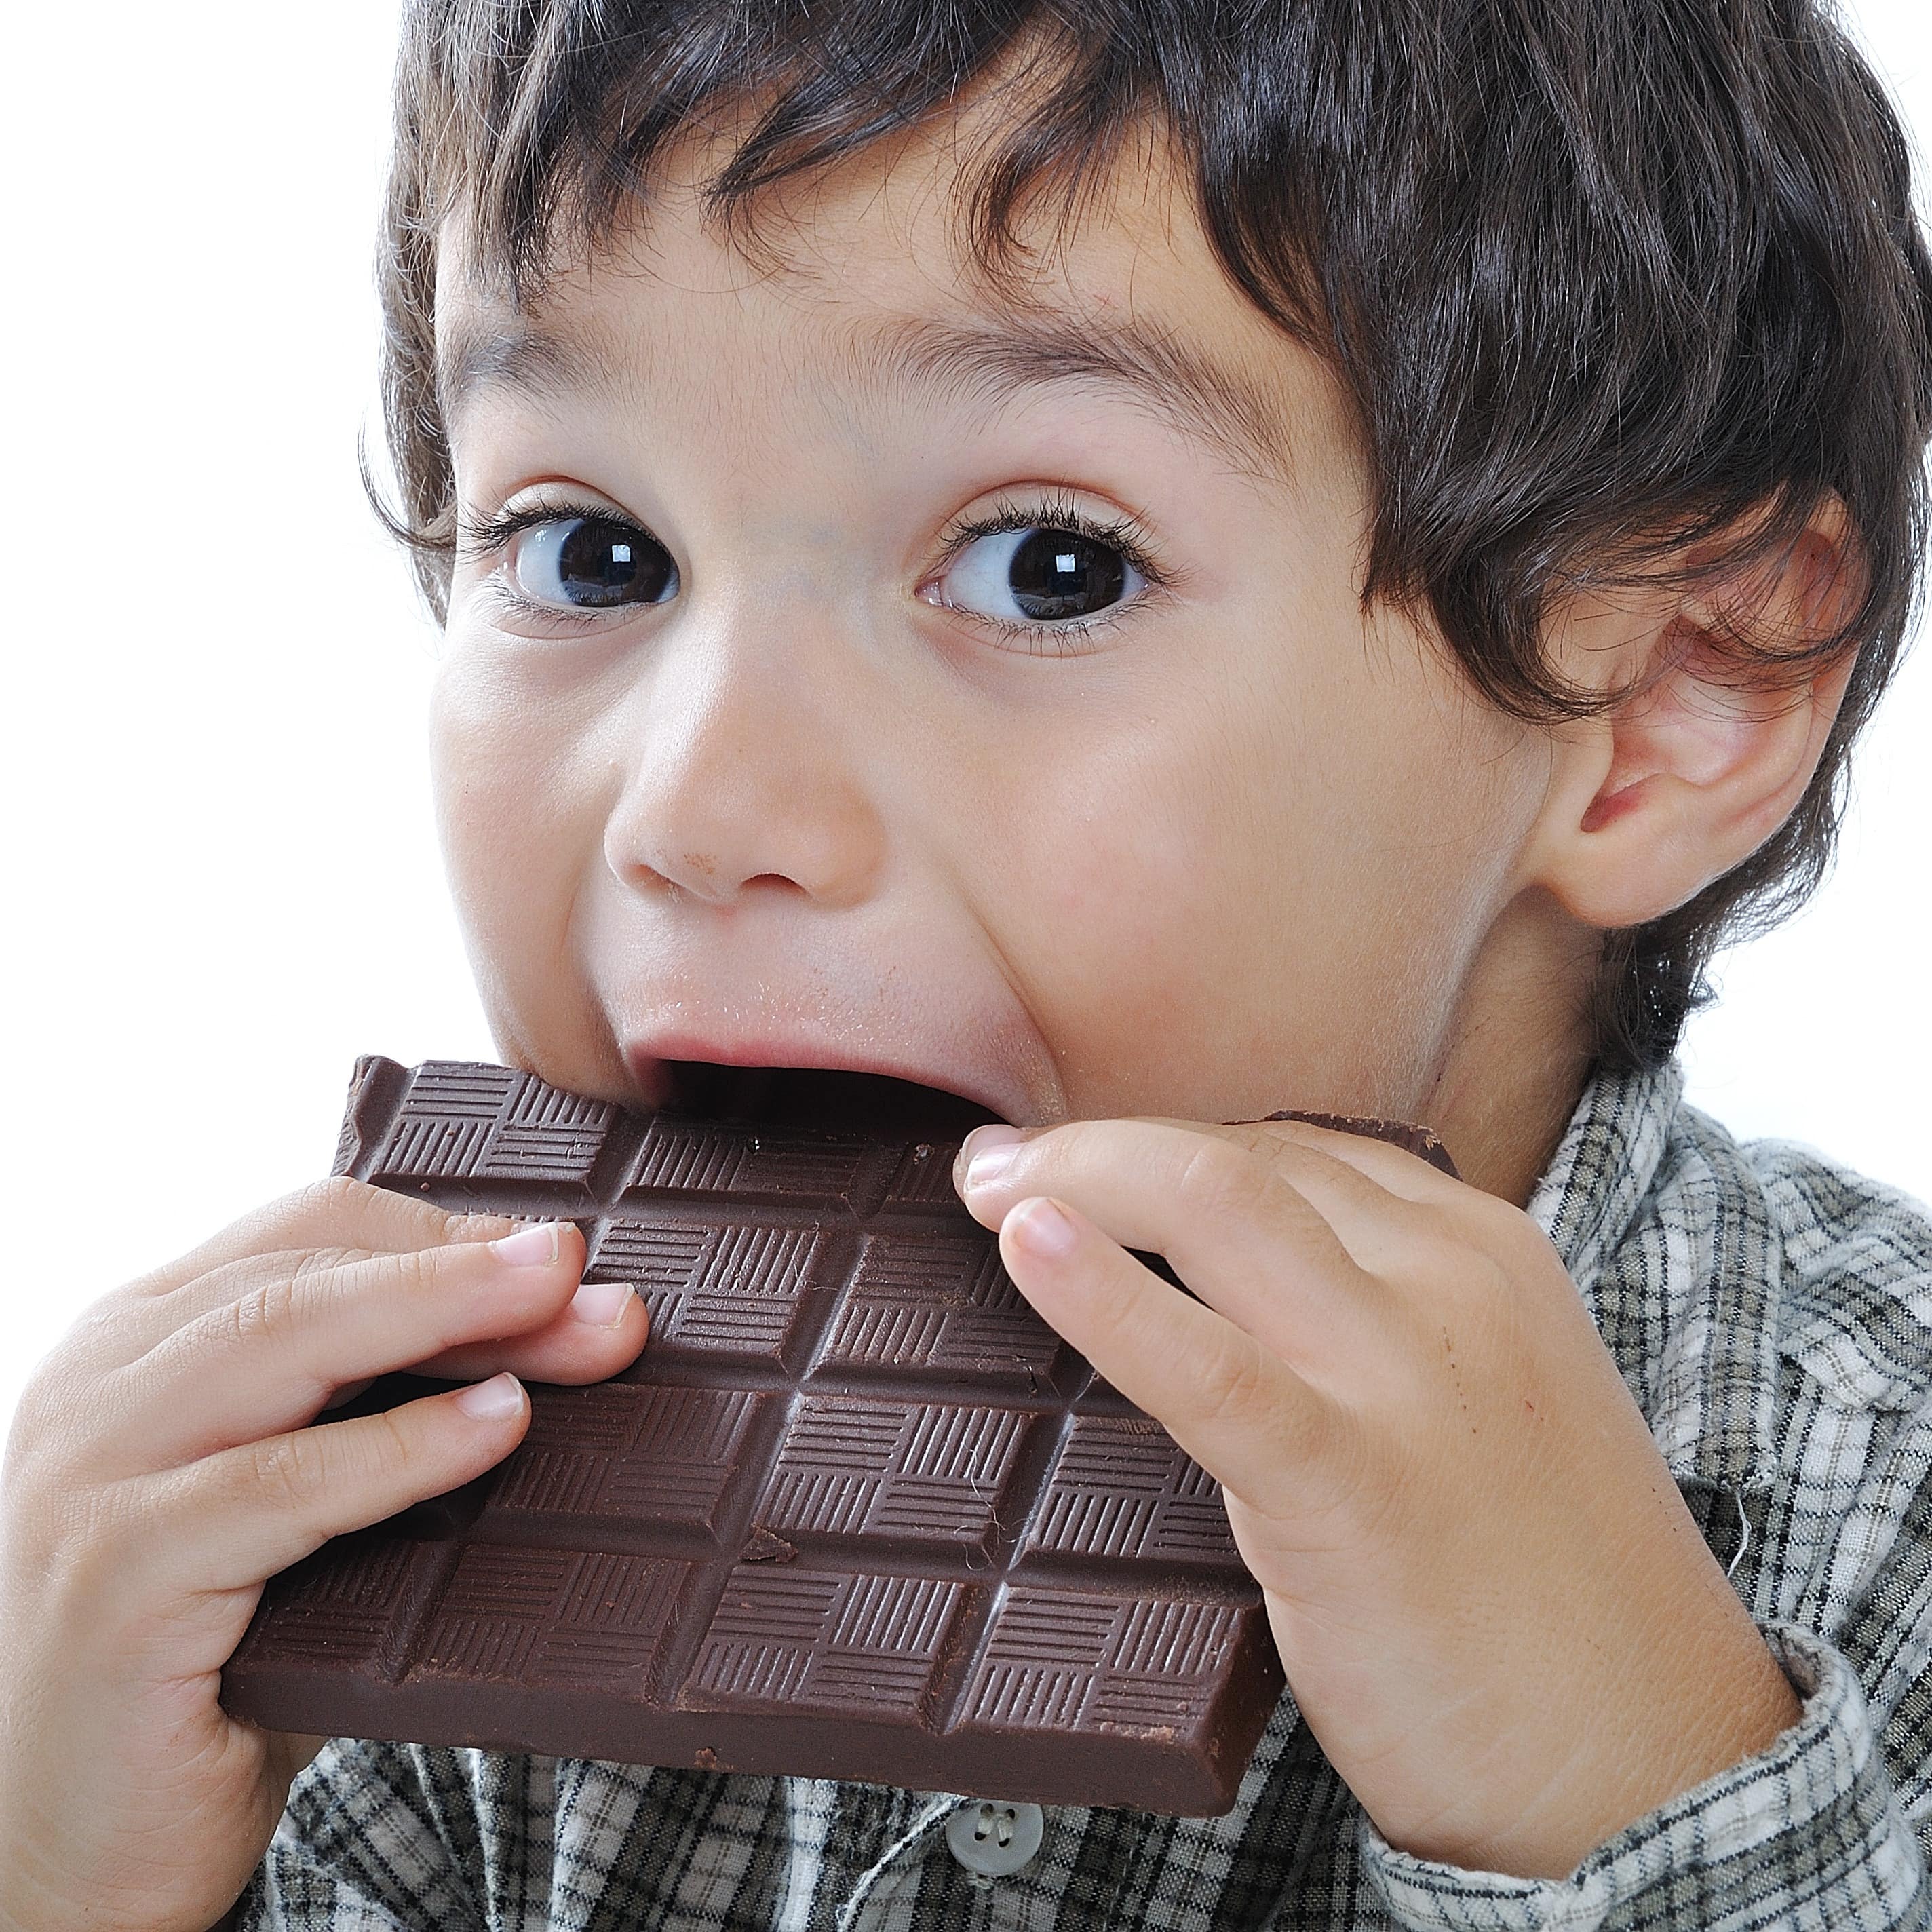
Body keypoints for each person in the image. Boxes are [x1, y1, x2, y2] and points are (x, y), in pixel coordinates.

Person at [7, 0, 1932, 1925]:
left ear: (1676, 694)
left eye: (1049, 568)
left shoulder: (1884, 1509)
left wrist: (1635, 1797)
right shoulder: (356, 1538)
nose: (701, 803)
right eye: (591, 551)